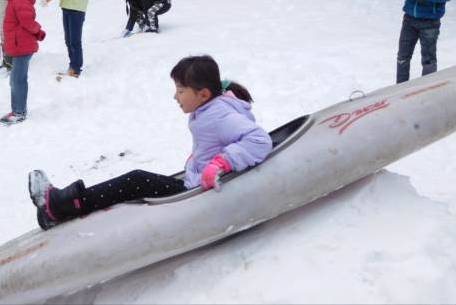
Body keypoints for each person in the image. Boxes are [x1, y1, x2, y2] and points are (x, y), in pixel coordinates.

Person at [28, 55, 273, 230]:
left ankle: (61, 206)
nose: (175, 96)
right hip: (196, 182)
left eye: (180, 90)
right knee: (140, 181)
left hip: (197, 193)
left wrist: (219, 163)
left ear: (203, 94)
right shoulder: (211, 108)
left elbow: (259, 140)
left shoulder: (219, 115)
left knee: (137, 180)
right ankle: (71, 203)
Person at [0, 0, 45, 125]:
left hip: (22, 48)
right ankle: (19, 109)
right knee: (18, 79)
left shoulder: (19, 1)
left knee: (17, 80)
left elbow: (28, 22)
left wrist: (38, 32)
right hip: (19, 47)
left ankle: (19, 111)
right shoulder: (14, 0)